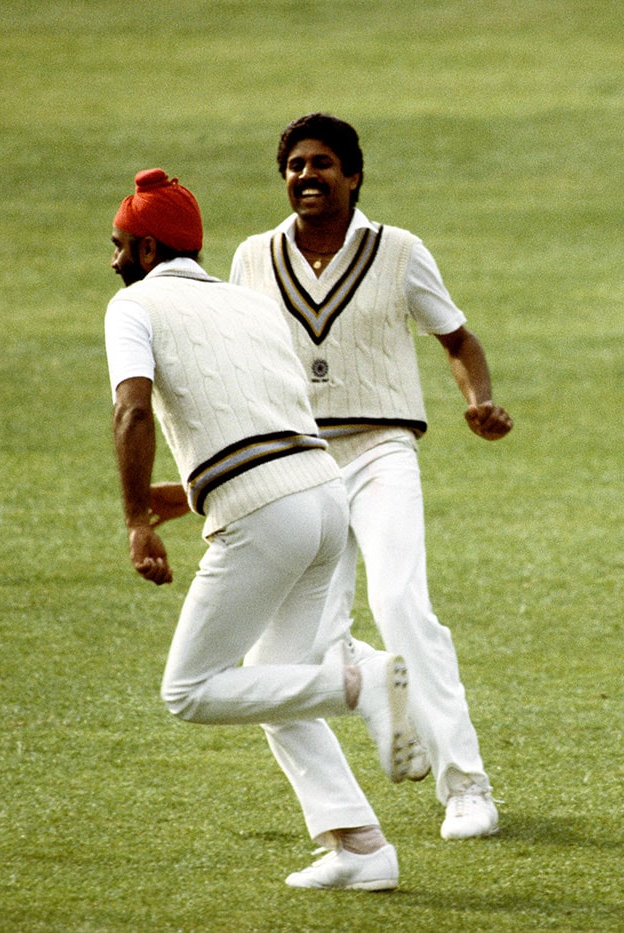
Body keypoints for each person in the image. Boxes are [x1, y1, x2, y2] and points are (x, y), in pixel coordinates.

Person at [105, 168, 424, 891]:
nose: (114, 260)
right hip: (324, 497)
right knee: (276, 682)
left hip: (264, 511)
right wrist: (185, 495)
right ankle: (361, 846)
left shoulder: (133, 306)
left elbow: (132, 409)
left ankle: (361, 683)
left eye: (120, 245)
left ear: (148, 249)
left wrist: (136, 520)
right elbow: (259, 419)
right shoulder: (249, 303)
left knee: (190, 690)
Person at [231, 113, 512, 841]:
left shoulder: (400, 251)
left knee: (400, 602)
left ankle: (467, 787)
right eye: (295, 165)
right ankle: (378, 694)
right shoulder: (252, 258)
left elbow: (458, 339)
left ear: (353, 176)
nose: (307, 176)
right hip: (295, 464)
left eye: (322, 163)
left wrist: (477, 401)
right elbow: (233, 366)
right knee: (296, 650)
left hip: (381, 451)